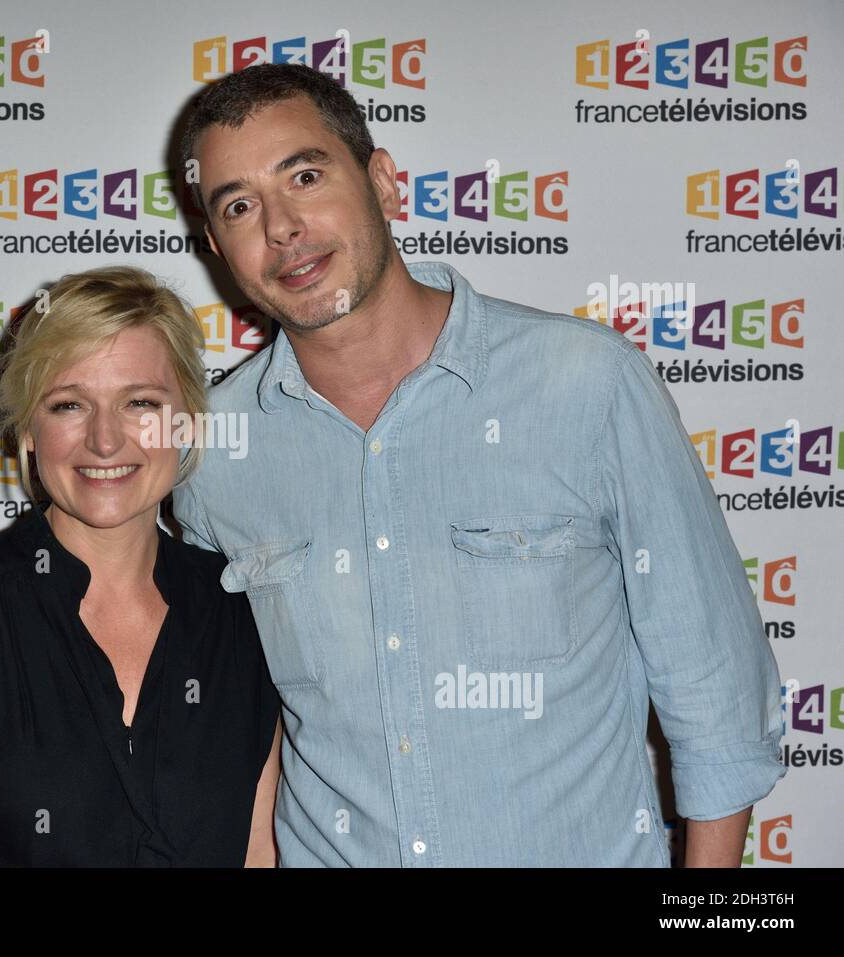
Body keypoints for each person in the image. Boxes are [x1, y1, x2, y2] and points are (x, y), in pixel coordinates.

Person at [171, 63, 785, 867]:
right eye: (240, 206)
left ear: (383, 181)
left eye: (307, 175)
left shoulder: (584, 382)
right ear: (216, 244)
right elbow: (243, 726)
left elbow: (719, 696)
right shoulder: (212, 452)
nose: (281, 227)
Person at [0, 265, 282, 867]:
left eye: (139, 403)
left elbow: (257, 855)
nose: (105, 440)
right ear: (27, 429)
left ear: (185, 421)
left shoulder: (242, 616)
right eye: (70, 405)